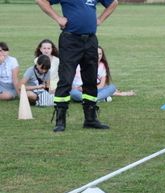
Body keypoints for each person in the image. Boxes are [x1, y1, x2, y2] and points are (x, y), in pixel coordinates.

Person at [36, 0, 118, 132]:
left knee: (91, 80)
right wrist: (58, 18)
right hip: (70, 40)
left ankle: (90, 119)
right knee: (66, 80)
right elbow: (41, 1)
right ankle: (60, 121)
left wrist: (100, 19)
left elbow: (114, 3)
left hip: (91, 40)